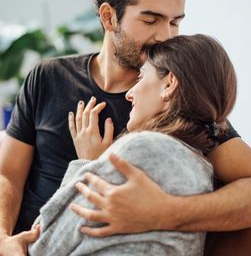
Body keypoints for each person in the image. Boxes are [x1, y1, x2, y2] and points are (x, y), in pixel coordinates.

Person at [0, 0, 251, 255]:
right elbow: (7, 173)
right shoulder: (47, 76)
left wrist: (165, 211)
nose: (165, 36)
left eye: (175, 21)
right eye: (150, 20)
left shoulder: (176, 104)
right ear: (109, 17)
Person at [28, 34, 235, 255]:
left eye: (140, 78)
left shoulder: (142, 148)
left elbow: (41, 242)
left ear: (169, 83)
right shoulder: (201, 169)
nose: (129, 94)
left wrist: (87, 163)